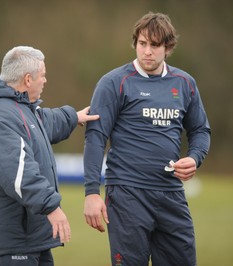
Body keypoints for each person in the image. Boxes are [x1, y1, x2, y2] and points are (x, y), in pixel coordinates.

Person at [83, 12, 211, 266]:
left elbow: (200, 131)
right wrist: (91, 192)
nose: (148, 52)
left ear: (168, 47)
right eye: (143, 44)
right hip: (127, 195)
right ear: (136, 44)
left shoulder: (185, 83)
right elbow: (96, 137)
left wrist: (194, 158)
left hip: (171, 194)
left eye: (155, 45)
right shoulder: (114, 82)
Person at [0, 46, 99, 266]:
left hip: (31, 239)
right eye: (43, 75)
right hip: (11, 243)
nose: (45, 80)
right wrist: (51, 207)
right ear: (28, 79)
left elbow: (44, 122)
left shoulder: (20, 108)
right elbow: (18, 173)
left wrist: (74, 117)